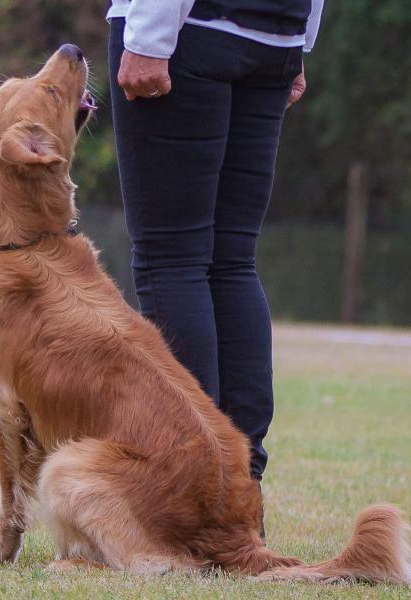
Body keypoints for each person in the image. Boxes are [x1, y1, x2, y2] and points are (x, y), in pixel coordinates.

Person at [107, 0, 324, 536]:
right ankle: (239, 498)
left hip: (189, 31)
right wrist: (298, 38)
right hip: (273, 36)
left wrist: (150, 37)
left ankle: (196, 498)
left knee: (172, 260)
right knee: (230, 262)